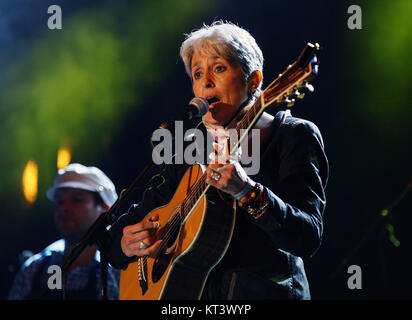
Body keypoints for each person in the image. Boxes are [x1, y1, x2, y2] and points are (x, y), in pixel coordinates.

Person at [106, 21, 329, 300]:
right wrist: (127, 245)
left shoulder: (291, 134)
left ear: (254, 81)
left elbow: (306, 237)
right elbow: (117, 236)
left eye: (219, 68)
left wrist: (248, 192)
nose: (206, 81)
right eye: (197, 74)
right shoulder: (189, 149)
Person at [8, 163, 120, 300]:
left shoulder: (120, 269)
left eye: (77, 200)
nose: (65, 208)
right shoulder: (35, 267)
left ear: (105, 208)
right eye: (60, 202)